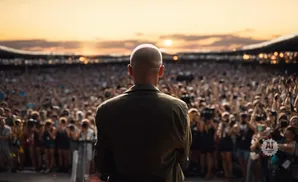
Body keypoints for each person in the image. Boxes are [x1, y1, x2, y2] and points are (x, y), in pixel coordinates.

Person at [95, 44, 191, 182]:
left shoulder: (106, 109)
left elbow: (102, 163)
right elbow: (183, 157)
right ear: (161, 71)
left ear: (130, 70)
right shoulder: (178, 108)